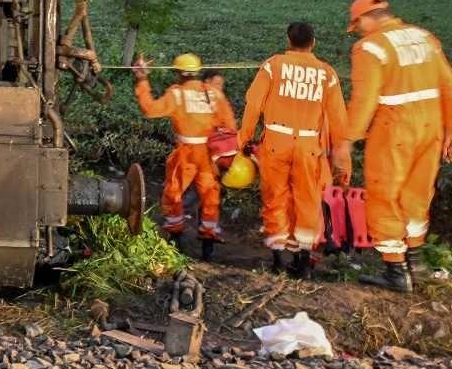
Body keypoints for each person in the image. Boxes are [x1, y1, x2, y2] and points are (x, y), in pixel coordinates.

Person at [346, 0, 452, 292]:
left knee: (384, 194)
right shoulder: (424, 37)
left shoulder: (370, 47)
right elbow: (451, 88)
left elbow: (364, 101)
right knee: (417, 194)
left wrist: (347, 140)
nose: (358, 30)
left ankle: (395, 271)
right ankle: (417, 263)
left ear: (365, 18)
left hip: (395, 129)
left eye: (357, 24)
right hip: (432, 127)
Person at [238, 22, 351, 278]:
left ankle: (278, 261)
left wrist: (244, 138)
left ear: (288, 41)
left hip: (276, 142)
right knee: (308, 202)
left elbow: (253, 104)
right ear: (314, 43)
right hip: (309, 146)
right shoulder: (327, 74)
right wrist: (342, 163)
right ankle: (303, 264)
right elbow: (338, 120)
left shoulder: (273, 65)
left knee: (275, 199)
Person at [133, 53, 237, 259]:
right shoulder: (215, 94)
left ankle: (177, 241)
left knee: (173, 194)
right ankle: (208, 247)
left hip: (186, 154)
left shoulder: (177, 95)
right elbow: (230, 127)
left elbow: (149, 109)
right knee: (210, 196)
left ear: (178, 73)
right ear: (198, 72)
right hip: (209, 155)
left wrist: (142, 80)